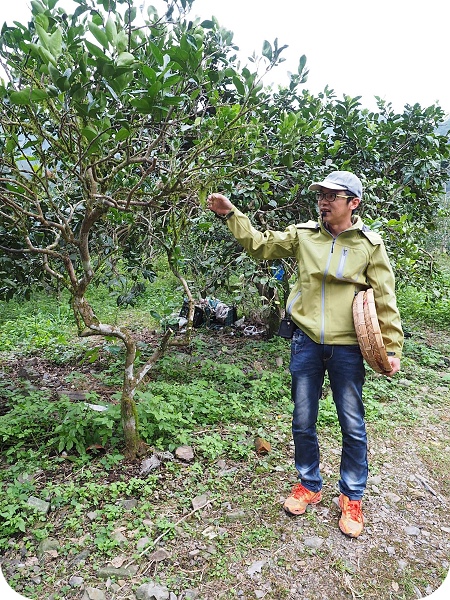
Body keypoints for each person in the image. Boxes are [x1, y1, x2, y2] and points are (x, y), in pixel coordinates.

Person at [207, 170, 403, 538]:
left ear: (353, 203)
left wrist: (391, 348)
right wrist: (231, 214)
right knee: (302, 420)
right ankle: (309, 484)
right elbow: (261, 245)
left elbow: (384, 298)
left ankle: (352, 496)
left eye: (333, 196)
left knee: (353, 423)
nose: (324, 201)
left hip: (348, 347)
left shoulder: (369, 244)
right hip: (306, 341)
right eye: (321, 195)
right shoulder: (304, 234)